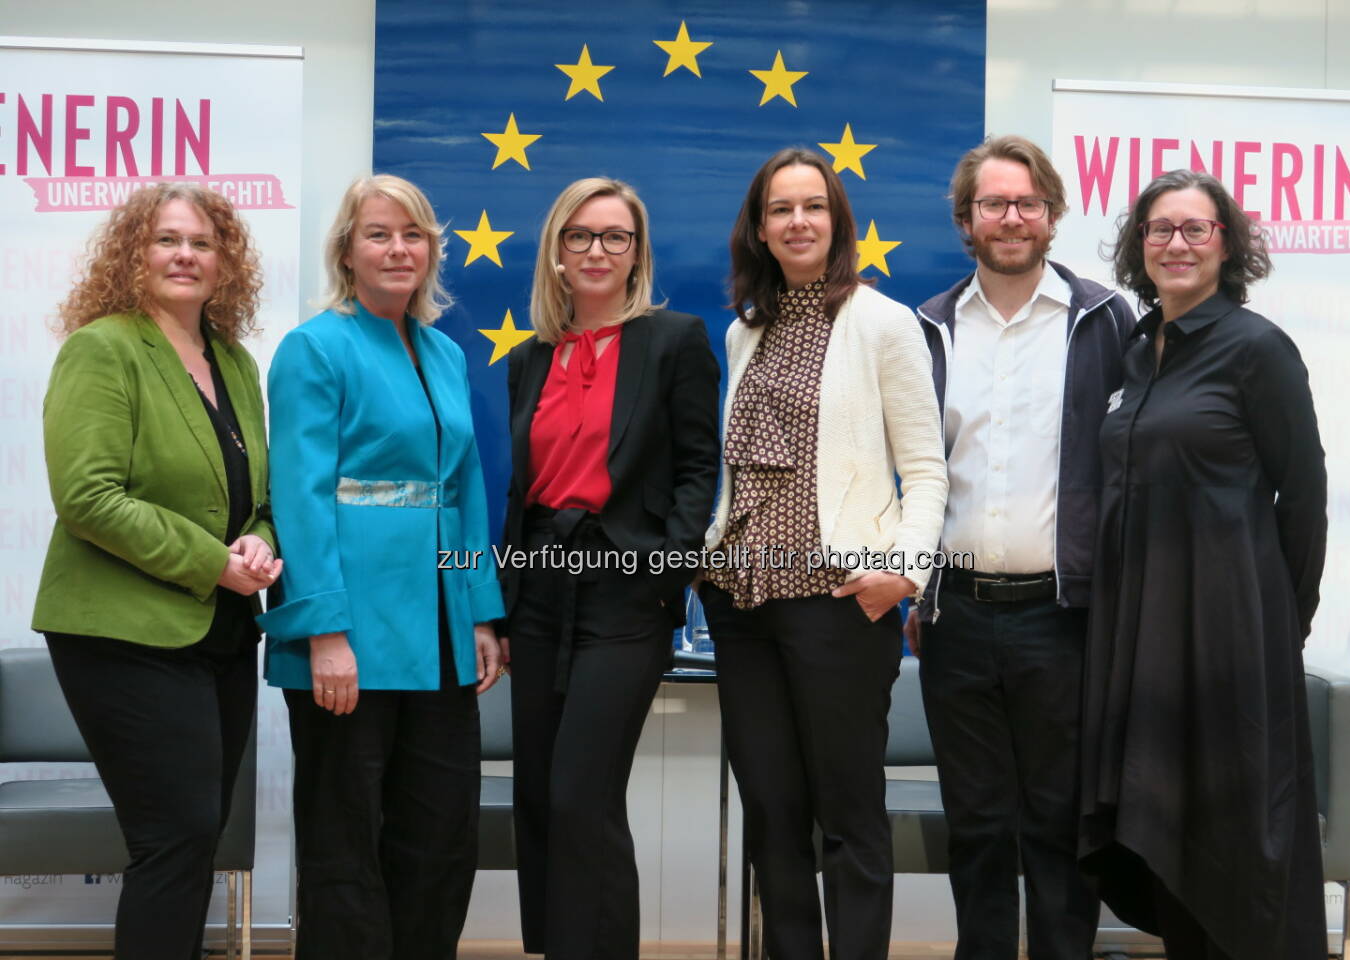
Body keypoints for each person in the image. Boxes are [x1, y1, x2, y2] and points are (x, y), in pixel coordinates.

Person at [700, 147, 947, 960]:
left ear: (837, 221)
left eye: (813, 206)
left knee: (847, 814)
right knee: (772, 813)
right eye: (781, 209)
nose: (797, 221)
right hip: (741, 609)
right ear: (760, 229)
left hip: (839, 604)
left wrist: (903, 575)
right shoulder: (746, 331)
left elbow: (925, 468)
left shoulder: (883, 321)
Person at [1079, 168, 1327, 960]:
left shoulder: (1258, 348)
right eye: (1159, 229)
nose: (1175, 243)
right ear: (1138, 244)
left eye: (1196, 229)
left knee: (1232, 840)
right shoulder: (1134, 349)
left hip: (1229, 639)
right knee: (1164, 832)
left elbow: (1306, 496)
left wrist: (1279, 619)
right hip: (1140, 638)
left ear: (1228, 245)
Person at [257, 174, 505, 960]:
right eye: (378, 233)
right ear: (347, 251)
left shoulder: (441, 350)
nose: (398, 248)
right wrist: (325, 628)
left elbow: (463, 490)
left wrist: (480, 612)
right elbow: (300, 498)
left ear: (432, 249)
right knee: (345, 843)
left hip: (439, 638)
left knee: (440, 838)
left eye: (414, 234)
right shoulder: (313, 348)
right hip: (349, 639)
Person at [32, 182, 280, 960]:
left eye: (202, 242)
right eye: (166, 239)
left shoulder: (234, 360)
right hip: (120, 633)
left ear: (224, 261)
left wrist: (260, 543)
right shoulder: (103, 347)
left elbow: (258, 497)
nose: (185, 254)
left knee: (194, 838)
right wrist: (213, 562)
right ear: (133, 255)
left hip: (224, 631)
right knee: (174, 840)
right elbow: (87, 497)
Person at [906, 134, 1135, 960]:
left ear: (1052, 215)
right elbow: (913, 470)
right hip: (957, 617)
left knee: (1061, 822)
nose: (1012, 218)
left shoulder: (1107, 320)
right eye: (994, 204)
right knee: (975, 823)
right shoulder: (928, 329)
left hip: (1065, 616)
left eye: (1027, 203)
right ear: (967, 220)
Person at [501, 176, 719, 959]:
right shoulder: (530, 359)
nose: (597, 250)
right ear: (557, 253)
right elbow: (522, 493)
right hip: (539, 593)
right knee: (540, 798)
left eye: (615, 237)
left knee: (582, 796)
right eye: (580, 236)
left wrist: (669, 566)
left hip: (626, 597)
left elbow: (700, 467)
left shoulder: (674, 340)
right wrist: (500, 606)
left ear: (637, 253)